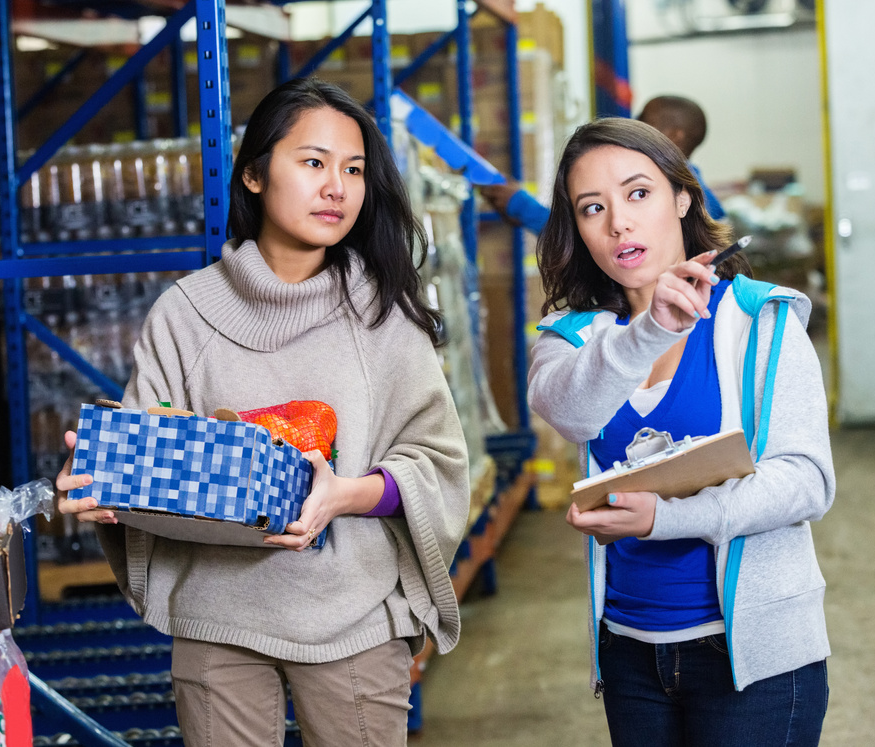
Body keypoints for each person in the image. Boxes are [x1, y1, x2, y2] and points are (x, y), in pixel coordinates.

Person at [55, 77, 471, 747]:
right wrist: (103, 478)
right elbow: (151, 452)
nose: (337, 186)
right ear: (253, 174)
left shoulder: (383, 315)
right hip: (217, 617)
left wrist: (342, 495)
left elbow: (437, 464)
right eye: (313, 162)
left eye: (354, 169)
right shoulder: (186, 314)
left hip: (353, 618)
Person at [528, 117, 833, 745]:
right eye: (593, 207)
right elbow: (573, 413)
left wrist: (663, 518)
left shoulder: (762, 321)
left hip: (756, 659)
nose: (618, 223)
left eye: (638, 193)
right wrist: (652, 330)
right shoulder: (569, 338)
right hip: (631, 652)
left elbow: (806, 482)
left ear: (682, 197)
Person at [480, 94, 726, 230]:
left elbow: (579, 238)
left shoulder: (697, 200)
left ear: (675, 135)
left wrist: (521, 206)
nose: (635, 125)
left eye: (644, 119)